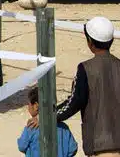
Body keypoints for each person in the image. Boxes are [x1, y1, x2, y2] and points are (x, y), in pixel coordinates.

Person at [43, 17, 120, 156]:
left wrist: (49, 115)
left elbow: (74, 103)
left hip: (100, 147)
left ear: (90, 42)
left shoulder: (85, 68)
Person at [18, 86, 79, 157]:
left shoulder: (31, 127)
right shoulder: (63, 127)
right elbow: (72, 149)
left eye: (28, 104)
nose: (28, 107)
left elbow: (21, 146)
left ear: (35, 106)